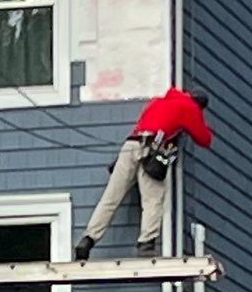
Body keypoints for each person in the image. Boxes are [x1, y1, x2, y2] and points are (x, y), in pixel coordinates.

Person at [78, 86, 212, 258]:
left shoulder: (158, 101)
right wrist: (200, 121)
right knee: (153, 198)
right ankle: (146, 245)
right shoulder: (190, 107)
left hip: (131, 145)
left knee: (111, 197)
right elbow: (204, 138)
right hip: (151, 149)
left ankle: (87, 240)